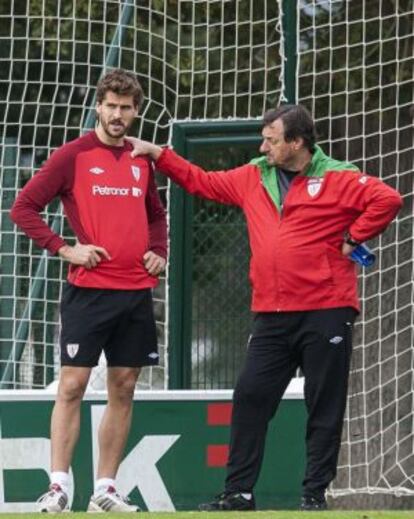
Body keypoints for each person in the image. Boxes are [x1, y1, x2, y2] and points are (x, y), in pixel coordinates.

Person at [127, 104, 402, 511]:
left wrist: (353, 235)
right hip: (271, 314)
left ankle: (314, 493)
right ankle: (238, 492)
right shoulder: (254, 175)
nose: (263, 146)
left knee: (323, 402)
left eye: (272, 140)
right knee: (251, 396)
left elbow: (388, 198)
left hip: (326, 309)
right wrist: (159, 154)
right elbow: (202, 182)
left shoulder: (337, 175)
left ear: (297, 142)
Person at [10, 69, 167, 513]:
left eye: (126, 108)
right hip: (88, 292)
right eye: (111, 106)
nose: (118, 115)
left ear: (136, 112)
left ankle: (105, 489)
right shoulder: (72, 155)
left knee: (124, 386)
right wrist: (65, 249)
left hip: (136, 292)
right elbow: (23, 208)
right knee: (73, 386)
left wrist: (159, 250)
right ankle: (59, 487)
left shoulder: (141, 159)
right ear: (98, 106)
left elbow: (156, 215)